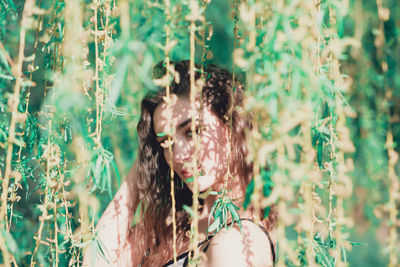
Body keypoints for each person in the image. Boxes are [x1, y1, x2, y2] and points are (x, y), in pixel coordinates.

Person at [83, 60, 277, 266]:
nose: (177, 156)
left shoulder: (236, 241)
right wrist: (147, 160)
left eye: (192, 131)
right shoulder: (176, 226)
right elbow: (97, 261)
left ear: (233, 126)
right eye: (166, 143)